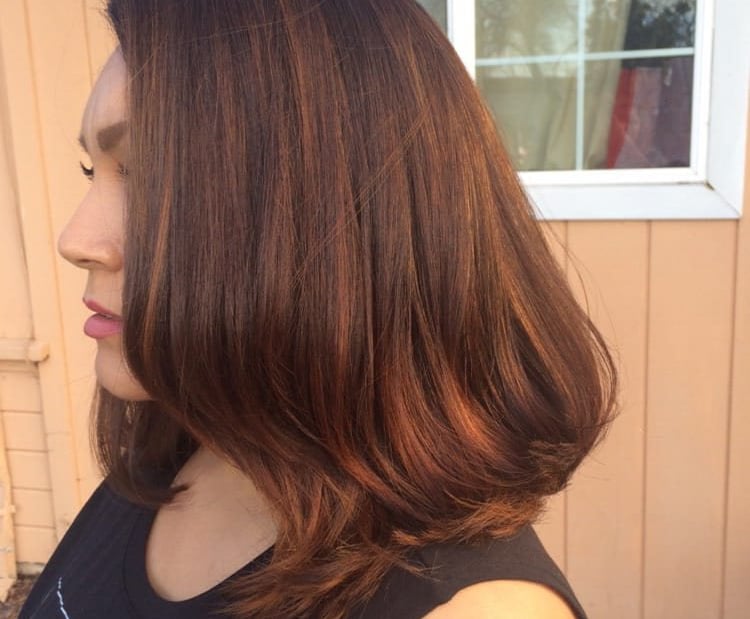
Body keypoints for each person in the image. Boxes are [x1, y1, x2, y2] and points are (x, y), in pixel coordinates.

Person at [21, 1, 618, 617]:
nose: (75, 239)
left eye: (146, 173)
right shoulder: (188, 449)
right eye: (93, 170)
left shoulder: (472, 609)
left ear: (332, 223)